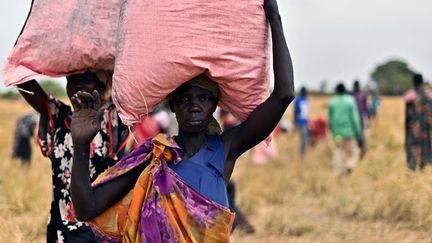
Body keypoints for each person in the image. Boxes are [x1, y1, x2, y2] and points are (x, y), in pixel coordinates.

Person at [70, 0, 294, 242]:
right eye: (185, 99)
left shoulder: (226, 149)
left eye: (204, 98)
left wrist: (273, 15)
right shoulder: (153, 157)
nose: (194, 105)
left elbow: (284, 94)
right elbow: (86, 209)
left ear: (213, 106)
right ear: (174, 107)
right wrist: (81, 145)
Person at [16, 71, 129, 243]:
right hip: (63, 226)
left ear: (101, 86)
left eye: (87, 80)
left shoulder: (112, 118)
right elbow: (20, 79)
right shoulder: (58, 116)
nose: (79, 85)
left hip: (102, 225)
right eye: (72, 80)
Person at [328, 83, 362, 177]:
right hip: (349, 133)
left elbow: (330, 119)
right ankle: (349, 166)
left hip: (337, 134)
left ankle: (339, 173)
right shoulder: (350, 100)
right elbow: (354, 118)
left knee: (338, 151)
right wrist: (358, 132)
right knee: (354, 153)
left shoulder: (332, 101)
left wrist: (332, 131)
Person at [404, 73, 432, 171]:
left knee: (412, 147)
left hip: (413, 128)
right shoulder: (428, 96)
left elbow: (407, 115)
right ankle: (422, 169)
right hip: (425, 128)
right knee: (424, 147)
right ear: (421, 81)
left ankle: (412, 169)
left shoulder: (409, 96)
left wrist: (406, 130)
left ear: (413, 81)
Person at [352, 80, 369, 157]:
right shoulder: (351, 95)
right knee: (354, 135)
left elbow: (365, 106)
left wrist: (368, 116)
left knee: (361, 134)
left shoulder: (362, 94)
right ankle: (357, 150)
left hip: (360, 117)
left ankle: (362, 150)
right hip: (353, 118)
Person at [293, 86, 309, 162]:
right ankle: (301, 155)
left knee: (305, 139)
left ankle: (303, 153)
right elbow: (295, 112)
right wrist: (295, 122)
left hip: (305, 122)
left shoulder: (306, 99)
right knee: (303, 139)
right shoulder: (298, 100)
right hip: (300, 122)